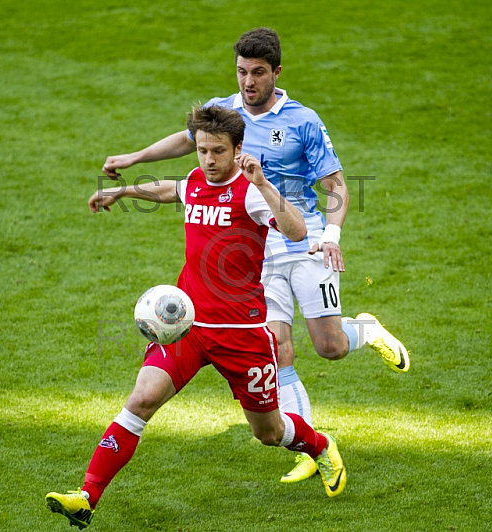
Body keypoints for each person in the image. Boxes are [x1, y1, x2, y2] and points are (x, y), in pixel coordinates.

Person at [98, 27, 410, 483]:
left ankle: (363, 329)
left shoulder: (303, 120)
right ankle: (309, 446)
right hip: (253, 246)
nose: (248, 82)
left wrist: (334, 236)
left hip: (304, 240)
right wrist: (135, 157)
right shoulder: (224, 112)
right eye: (242, 71)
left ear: (276, 73)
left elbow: (337, 185)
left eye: (258, 73)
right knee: (278, 346)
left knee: (328, 346)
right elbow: (189, 141)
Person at [45, 105, 347, 530]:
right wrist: (124, 191)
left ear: (238, 149)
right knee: (142, 398)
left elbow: (297, 230)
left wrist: (261, 181)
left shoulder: (249, 192)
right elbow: (173, 189)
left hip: (241, 333)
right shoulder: (196, 181)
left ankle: (318, 446)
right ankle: (86, 496)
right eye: (202, 150)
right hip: (186, 325)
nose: (207, 159)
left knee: (268, 431)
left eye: (217, 151)